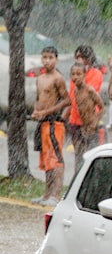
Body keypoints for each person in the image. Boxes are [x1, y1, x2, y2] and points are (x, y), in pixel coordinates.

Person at [29, 46, 71, 206]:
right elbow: (38, 98)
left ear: (56, 59)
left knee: (56, 160)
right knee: (46, 160)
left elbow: (67, 100)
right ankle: (47, 194)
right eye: (44, 57)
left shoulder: (58, 78)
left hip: (54, 123)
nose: (47, 61)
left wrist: (47, 111)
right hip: (42, 123)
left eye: (50, 57)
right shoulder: (40, 78)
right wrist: (36, 111)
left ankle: (56, 195)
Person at [66, 62, 104, 175]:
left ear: (84, 75)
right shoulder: (76, 91)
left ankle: (94, 178)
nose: (75, 77)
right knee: (79, 153)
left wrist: (94, 124)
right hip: (81, 127)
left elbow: (102, 108)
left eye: (78, 74)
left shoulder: (90, 90)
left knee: (93, 155)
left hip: (92, 127)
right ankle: (78, 177)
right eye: (73, 74)